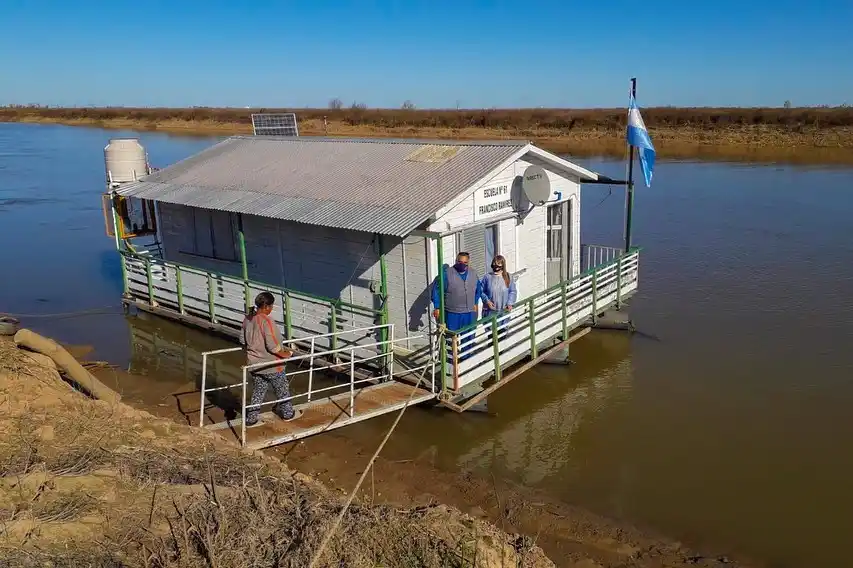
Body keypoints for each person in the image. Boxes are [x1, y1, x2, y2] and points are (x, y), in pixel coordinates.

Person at [240, 291, 302, 426]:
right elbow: (273, 346)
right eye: (272, 306)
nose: (271, 309)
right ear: (267, 306)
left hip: (254, 365)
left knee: (258, 391)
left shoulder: (247, 319)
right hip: (272, 365)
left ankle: (251, 419)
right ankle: (287, 414)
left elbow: (242, 340)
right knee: (282, 390)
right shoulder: (267, 321)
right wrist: (288, 354)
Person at [431, 252, 487, 332]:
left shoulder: (473, 273)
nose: (462, 264)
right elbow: (436, 291)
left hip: (469, 313)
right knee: (451, 338)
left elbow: (478, 289)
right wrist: (437, 307)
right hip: (452, 313)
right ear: (456, 261)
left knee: (468, 337)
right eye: (460, 262)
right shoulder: (446, 274)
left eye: (465, 262)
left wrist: (475, 302)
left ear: (468, 262)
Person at [480, 255, 518, 320]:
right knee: (490, 329)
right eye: (494, 263)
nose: (496, 266)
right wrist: (487, 301)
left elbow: (512, 291)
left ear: (503, 265)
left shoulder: (508, 277)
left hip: (504, 311)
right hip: (490, 312)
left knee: (503, 329)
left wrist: (510, 303)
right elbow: (480, 291)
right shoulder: (487, 277)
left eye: (498, 264)